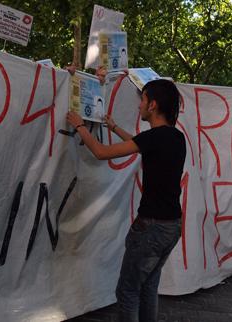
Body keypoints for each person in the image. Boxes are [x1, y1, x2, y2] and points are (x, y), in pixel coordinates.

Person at [66, 78, 186, 322]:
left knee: (128, 291)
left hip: (151, 229)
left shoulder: (154, 139)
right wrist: (114, 127)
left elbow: (100, 153)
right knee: (148, 287)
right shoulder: (175, 137)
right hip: (172, 226)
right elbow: (141, 145)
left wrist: (80, 126)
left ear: (152, 105)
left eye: (141, 100)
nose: (138, 106)